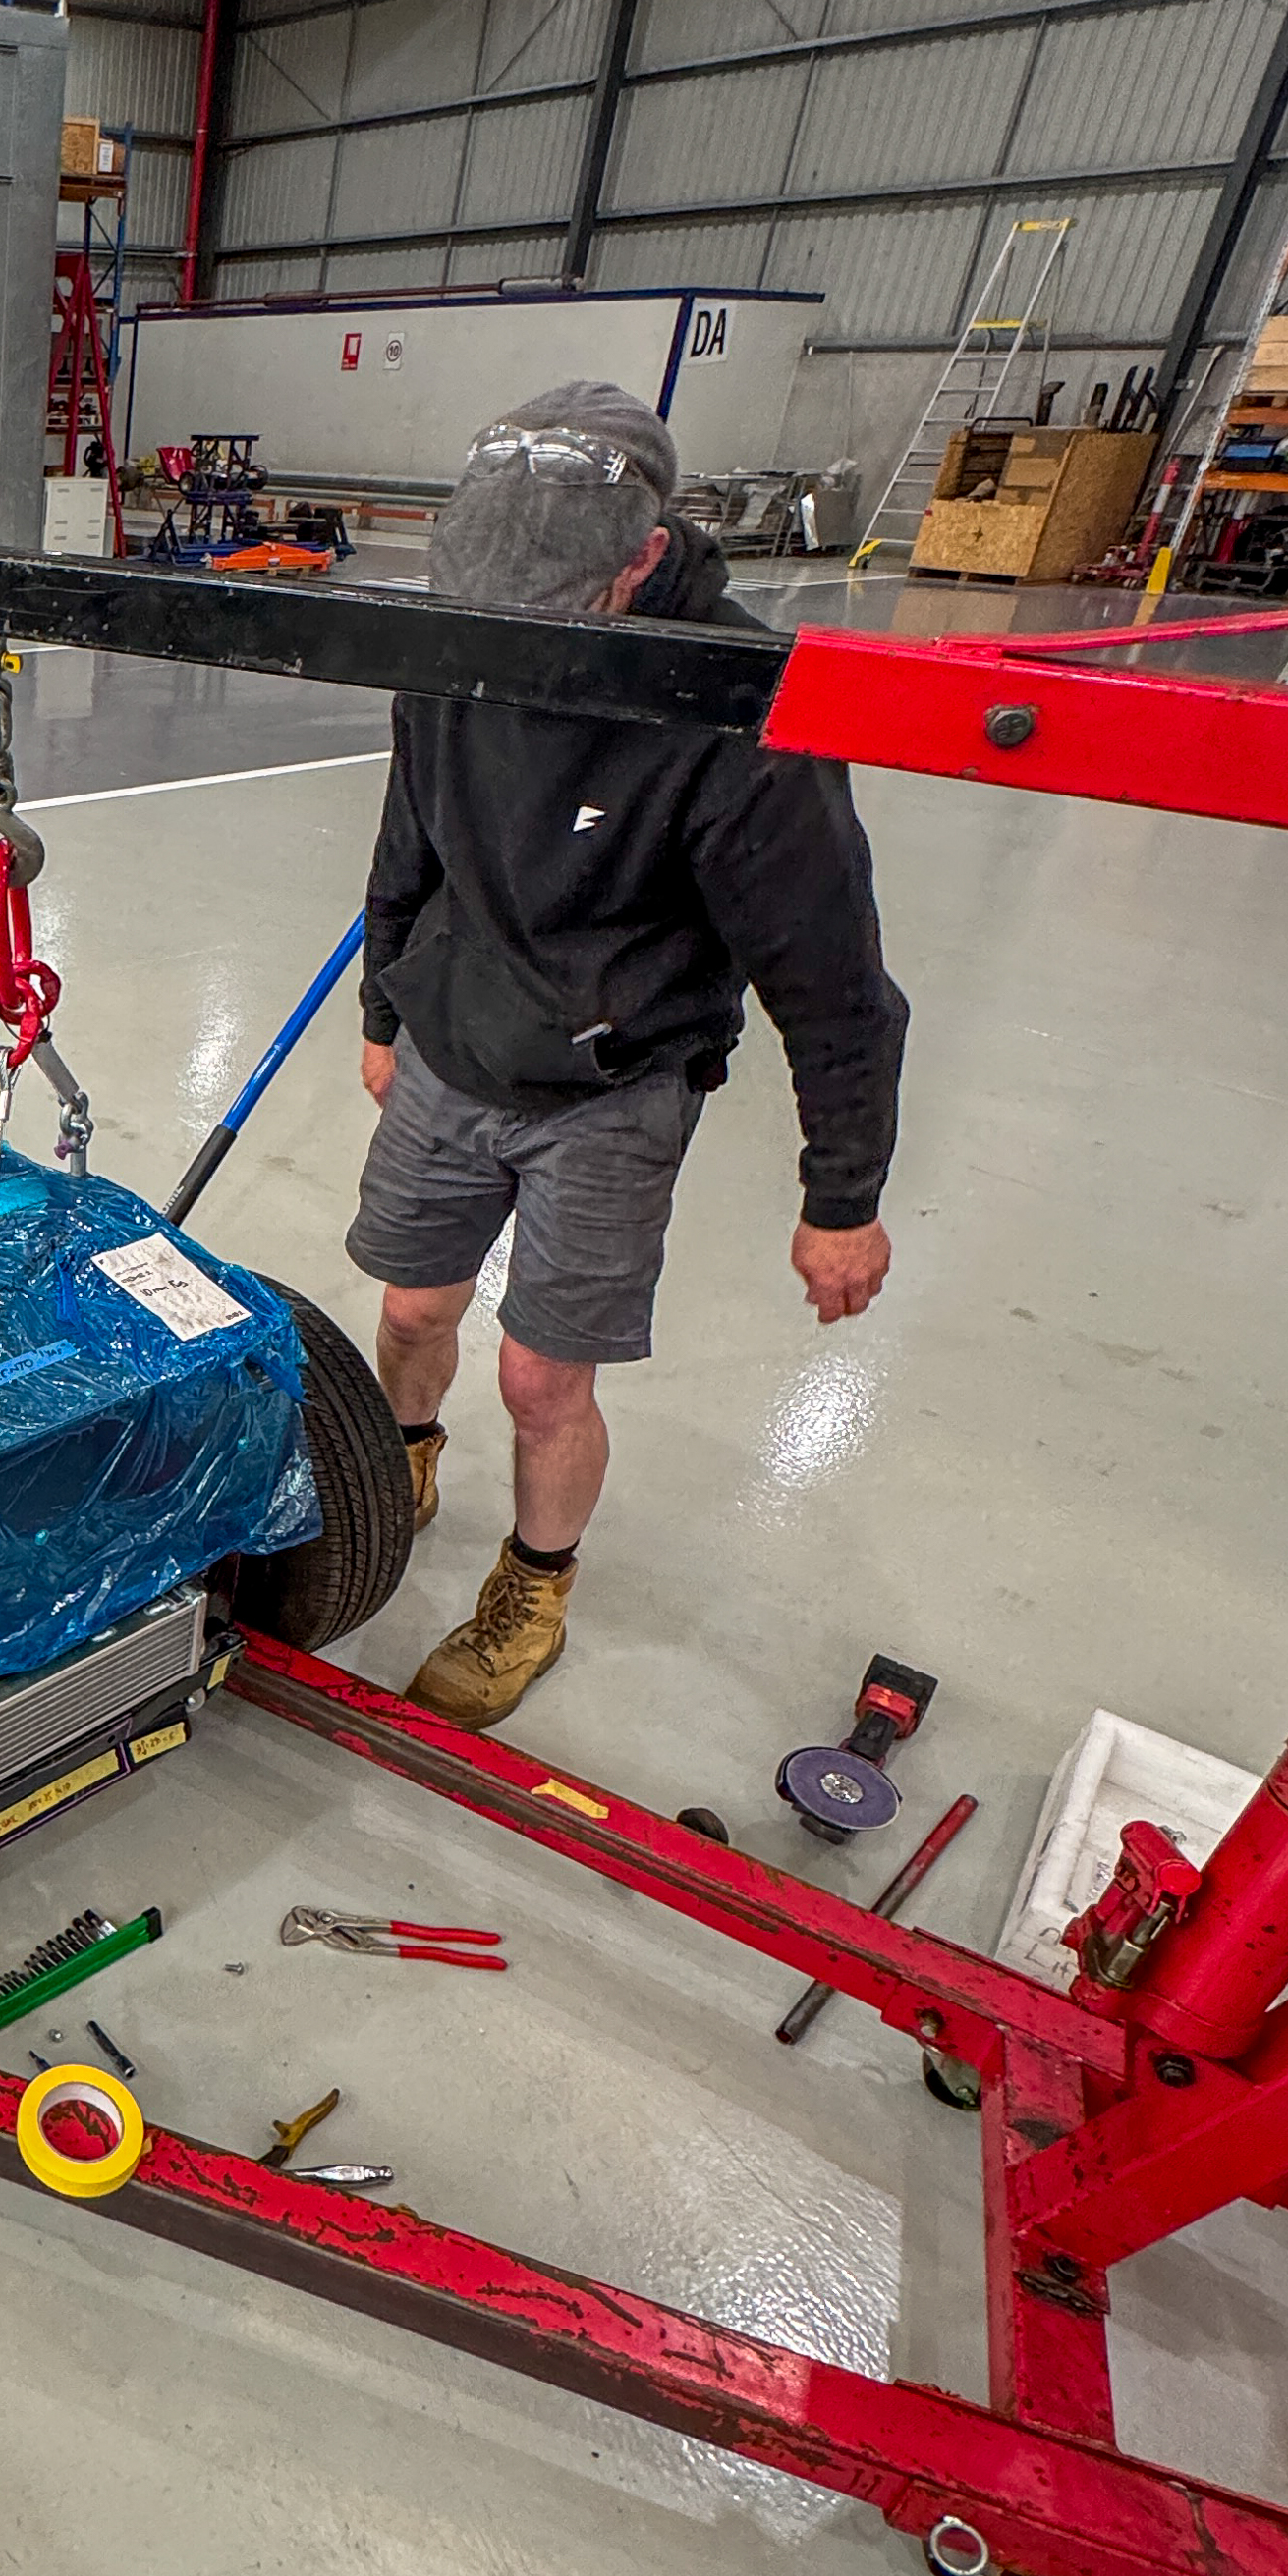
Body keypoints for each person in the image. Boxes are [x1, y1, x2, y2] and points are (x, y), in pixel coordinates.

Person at [347, 380, 908, 1730]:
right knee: (414, 1310)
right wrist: (384, 1011)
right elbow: (408, 841)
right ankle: (403, 1461)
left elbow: (834, 981)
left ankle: (535, 1583)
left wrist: (843, 1196)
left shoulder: (737, 718)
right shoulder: (460, 644)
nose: (514, 639)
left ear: (643, 556)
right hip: (453, 1040)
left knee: (544, 1376)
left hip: (612, 1084)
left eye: (548, 605)